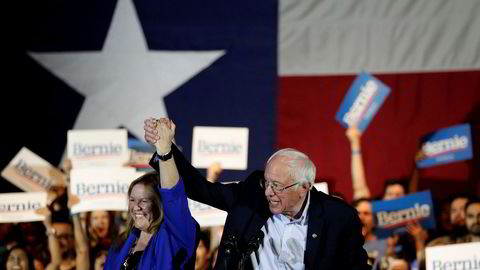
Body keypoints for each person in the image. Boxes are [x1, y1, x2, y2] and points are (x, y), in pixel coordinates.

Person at [144, 117, 369, 270]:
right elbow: (203, 190)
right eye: (267, 182)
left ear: (304, 186)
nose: (268, 192)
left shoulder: (338, 217)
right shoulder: (252, 194)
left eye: (277, 186)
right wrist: (166, 149)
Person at [105, 119, 197, 270]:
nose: (136, 207)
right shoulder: (120, 244)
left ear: (159, 204)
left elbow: (173, 197)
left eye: (143, 201)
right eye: (132, 200)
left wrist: (164, 150)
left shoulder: (173, 238)